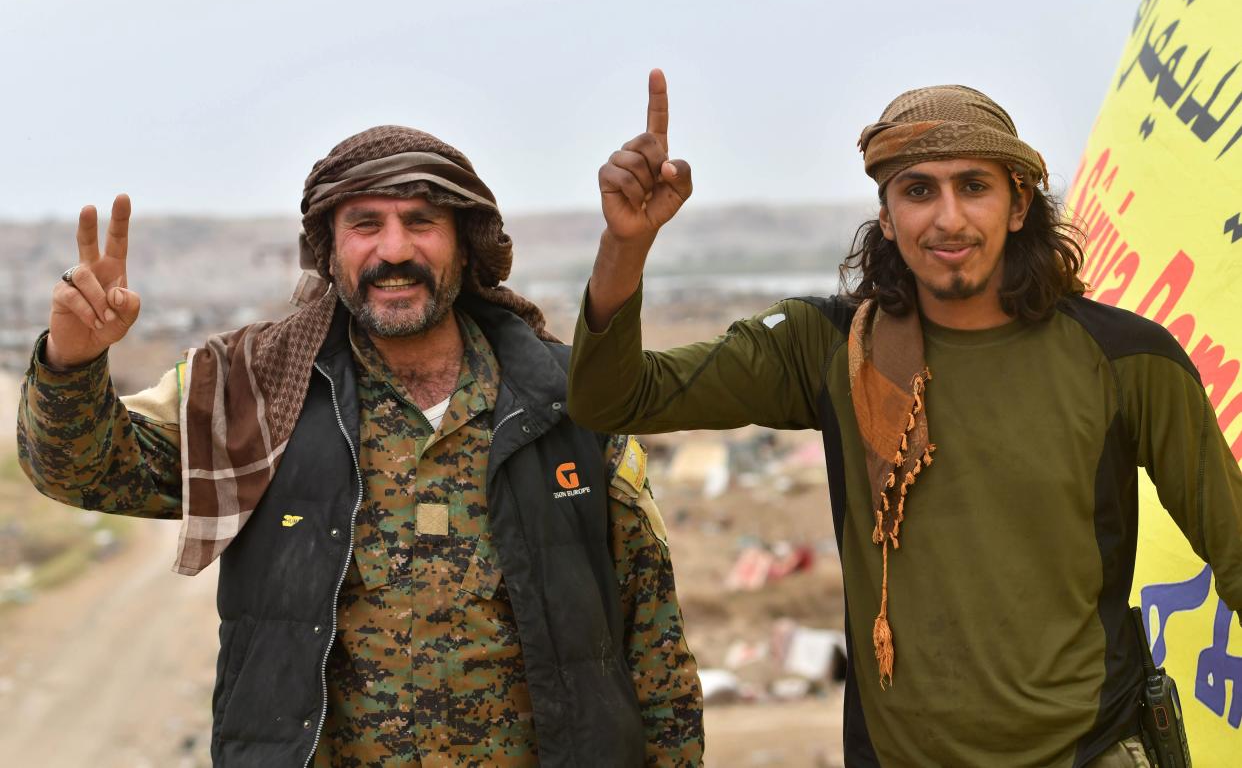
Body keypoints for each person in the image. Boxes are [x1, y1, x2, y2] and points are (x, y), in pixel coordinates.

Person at [567, 71, 1242, 767]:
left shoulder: (1126, 359)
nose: (948, 218)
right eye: (919, 190)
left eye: (974, 186)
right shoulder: (828, 348)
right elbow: (615, 401)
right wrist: (626, 246)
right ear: (887, 217)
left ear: (1018, 204)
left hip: (1091, 750)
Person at [17, 125, 703, 767]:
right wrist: (71, 366)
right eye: (366, 224)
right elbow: (86, 471)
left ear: (464, 243)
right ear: (330, 249)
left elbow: (652, 636)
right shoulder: (255, 393)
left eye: (421, 223)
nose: (395, 250)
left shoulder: (569, 397)